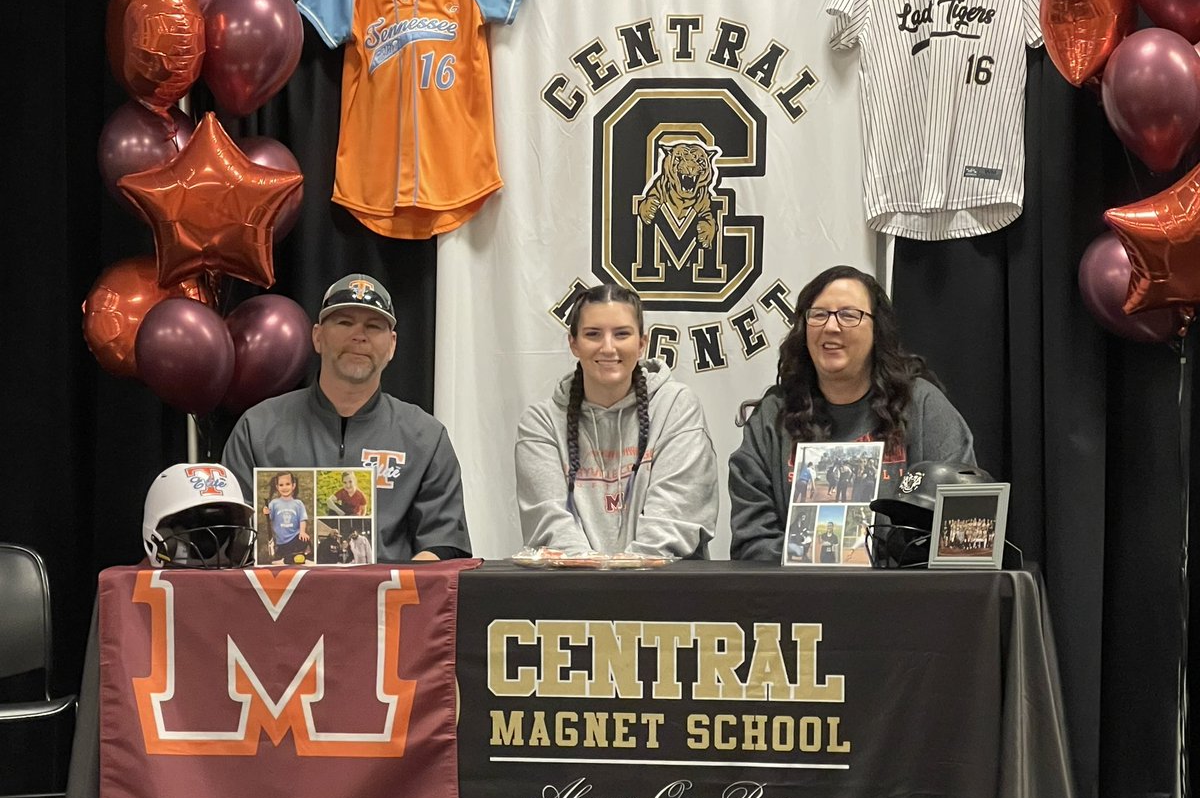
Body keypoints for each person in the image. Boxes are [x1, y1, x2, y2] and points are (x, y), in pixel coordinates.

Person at [729, 264, 975, 562]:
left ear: (877, 330)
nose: (831, 327)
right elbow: (752, 537)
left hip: (904, 600)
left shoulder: (922, 406)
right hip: (794, 600)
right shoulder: (772, 416)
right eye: (819, 314)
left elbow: (961, 524)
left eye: (849, 315)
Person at [222, 273, 471, 562]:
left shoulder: (426, 438)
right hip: (278, 601)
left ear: (391, 345)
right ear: (317, 336)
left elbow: (443, 544)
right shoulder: (258, 428)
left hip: (387, 604)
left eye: (374, 326)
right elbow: (233, 539)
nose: (359, 335)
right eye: (344, 322)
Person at [515, 283, 718, 558]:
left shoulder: (677, 407)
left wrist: (621, 584)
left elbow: (676, 518)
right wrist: (598, 588)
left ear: (641, 343)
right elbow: (548, 524)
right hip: (573, 593)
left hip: (668, 592)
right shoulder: (541, 423)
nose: (608, 347)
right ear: (573, 343)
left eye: (622, 334)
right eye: (593, 334)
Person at [263, 471, 309, 565]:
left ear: (293, 485)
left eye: (288, 484)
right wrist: (266, 512)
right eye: (281, 485)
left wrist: (302, 531)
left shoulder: (298, 503)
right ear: (277, 487)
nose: (284, 487)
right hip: (281, 541)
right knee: (282, 556)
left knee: (305, 541)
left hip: (295, 537)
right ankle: (290, 558)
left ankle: (291, 557)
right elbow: (270, 517)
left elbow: (302, 519)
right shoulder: (274, 503)